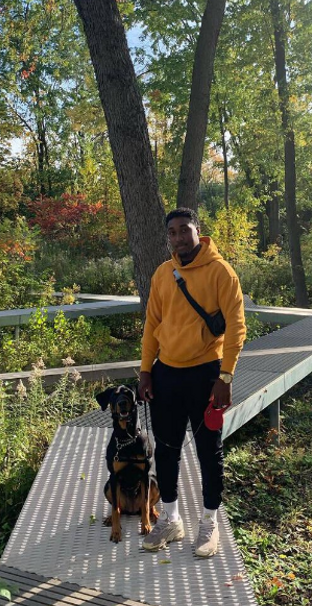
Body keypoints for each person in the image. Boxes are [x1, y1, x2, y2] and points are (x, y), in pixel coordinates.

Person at [139, 208, 247, 558]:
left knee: (208, 452)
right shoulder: (162, 274)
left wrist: (225, 376)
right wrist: (145, 370)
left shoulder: (221, 272)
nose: (179, 238)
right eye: (172, 232)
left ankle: (209, 523)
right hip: (166, 374)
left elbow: (237, 328)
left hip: (206, 374)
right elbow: (152, 324)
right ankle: (171, 519)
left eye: (184, 230)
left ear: (198, 230)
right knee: (166, 450)